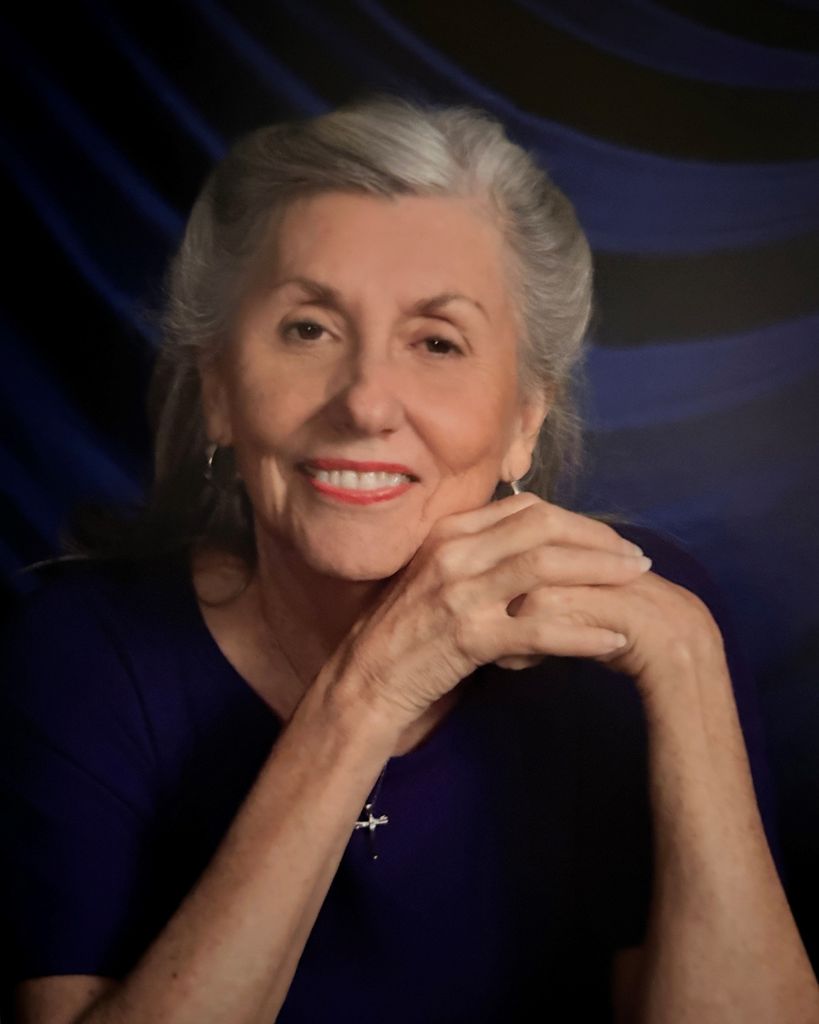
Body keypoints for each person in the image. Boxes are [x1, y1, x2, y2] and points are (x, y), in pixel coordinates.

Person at [1, 97, 817, 1024]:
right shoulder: (80, 651)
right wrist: (371, 690)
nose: (365, 403)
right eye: (309, 328)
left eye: (436, 342)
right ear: (219, 389)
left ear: (524, 421)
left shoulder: (639, 616)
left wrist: (689, 667)